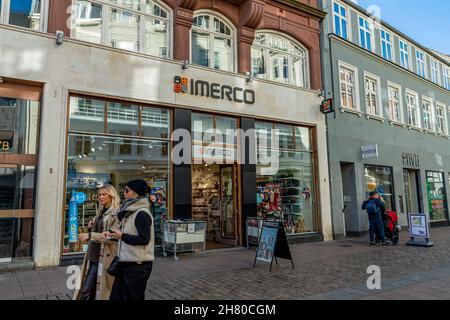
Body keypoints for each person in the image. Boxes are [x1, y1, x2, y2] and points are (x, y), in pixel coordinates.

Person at [105, 179, 155, 300]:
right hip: (125, 263)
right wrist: (113, 234)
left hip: (138, 265)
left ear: (136, 193)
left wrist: (121, 236)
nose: (124, 193)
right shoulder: (129, 213)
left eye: (127, 191)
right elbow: (128, 234)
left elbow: (144, 239)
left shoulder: (141, 213)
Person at [73, 184, 121, 300]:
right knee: (92, 288)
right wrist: (91, 227)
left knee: (86, 289)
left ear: (111, 196)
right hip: (93, 255)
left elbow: (111, 236)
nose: (100, 197)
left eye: (104, 194)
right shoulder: (100, 211)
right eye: (99, 194)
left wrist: (89, 235)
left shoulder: (116, 213)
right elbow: (100, 231)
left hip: (104, 256)